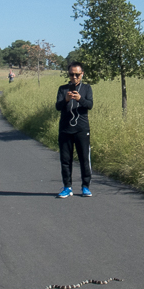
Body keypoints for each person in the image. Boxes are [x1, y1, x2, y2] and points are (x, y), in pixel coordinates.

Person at [54, 62, 93, 198]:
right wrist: (66, 99)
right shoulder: (63, 89)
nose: (74, 77)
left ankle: (85, 187)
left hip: (81, 129)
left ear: (82, 74)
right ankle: (67, 187)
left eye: (77, 74)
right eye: (72, 74)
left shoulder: (87, 88)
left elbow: (90, 105)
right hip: (65, 130)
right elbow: (58, 107)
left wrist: (80, 99)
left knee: (84, 159)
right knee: (65, 160)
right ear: (68, 74)